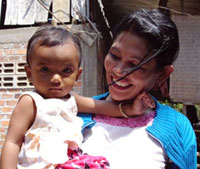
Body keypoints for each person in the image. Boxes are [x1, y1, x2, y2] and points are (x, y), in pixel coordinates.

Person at [0, 26, 142, 169]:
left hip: (68, 163)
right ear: (29, 73)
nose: (56, 78)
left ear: (77, 75)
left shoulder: (72, 100)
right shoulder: (31, 102)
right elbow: (12, 142)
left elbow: (100, 107)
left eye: (66, 71)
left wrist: (130, 109)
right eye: (45, 70)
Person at [77, 9, 197, 169]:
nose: (118, 70)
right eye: (114, 55)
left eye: (134, 65)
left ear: (162, 74)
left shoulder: (176, 128)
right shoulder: (75, 115)